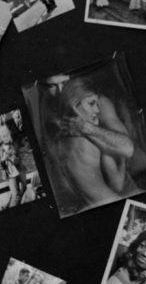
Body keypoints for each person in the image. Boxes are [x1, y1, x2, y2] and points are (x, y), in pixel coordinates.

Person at [54, 78, 136, 211]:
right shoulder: (93, 139)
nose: (97, 110)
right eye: (91, 103)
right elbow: (118, 184)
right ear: (75, 105)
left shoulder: (58, 139)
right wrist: (121, 160)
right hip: (111, 201)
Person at [0, 137, 27, 208]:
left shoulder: (13, 146)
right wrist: (3, 159)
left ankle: (8, 205)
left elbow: (19, 158)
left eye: (6, 135)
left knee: (24, 187)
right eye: (3, 136)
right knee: (16, 195)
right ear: (1, 139)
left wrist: (15, 159)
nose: (6, 138)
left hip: (19, 170)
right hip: (10, 174)